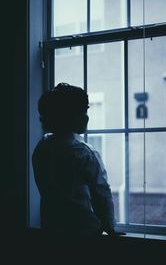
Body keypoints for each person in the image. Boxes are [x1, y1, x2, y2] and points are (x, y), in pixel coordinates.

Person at [32, 82, 124, 243]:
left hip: (51, 229)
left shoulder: (42, 148)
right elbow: (101, 193)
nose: (87, 116)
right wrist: (110, 226)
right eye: (83, 111)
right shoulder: (83, 153)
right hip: (84, 232)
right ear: (69, 116)